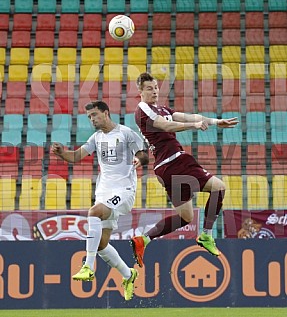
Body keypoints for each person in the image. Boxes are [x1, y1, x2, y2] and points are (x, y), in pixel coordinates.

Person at [131, 72, 239, 267]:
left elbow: (188, 115)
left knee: (186, 217)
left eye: (156, 87)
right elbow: (166, 125)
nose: (154, 91)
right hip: (175, 161)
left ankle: (143, 240)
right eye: (149, 88)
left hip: (166, 168)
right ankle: (206, 235)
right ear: (140, 91)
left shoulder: (161, 108)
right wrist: (193, 126)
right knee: (219, 188)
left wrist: (215, 122)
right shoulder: (143, 110)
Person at [52, 100, 149, 300]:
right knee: (102, 244)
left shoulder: (126, 133)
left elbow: (143, 154)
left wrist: (139, 159)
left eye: (94, 115)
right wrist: (62, 154)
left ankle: (88, 265)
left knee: (94, 212)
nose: (92, 119)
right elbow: (77, 156)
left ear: (106, 113)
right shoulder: (96, 138)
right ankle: (129, 275)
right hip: (104, 192)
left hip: (124, 189)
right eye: (89, 117)